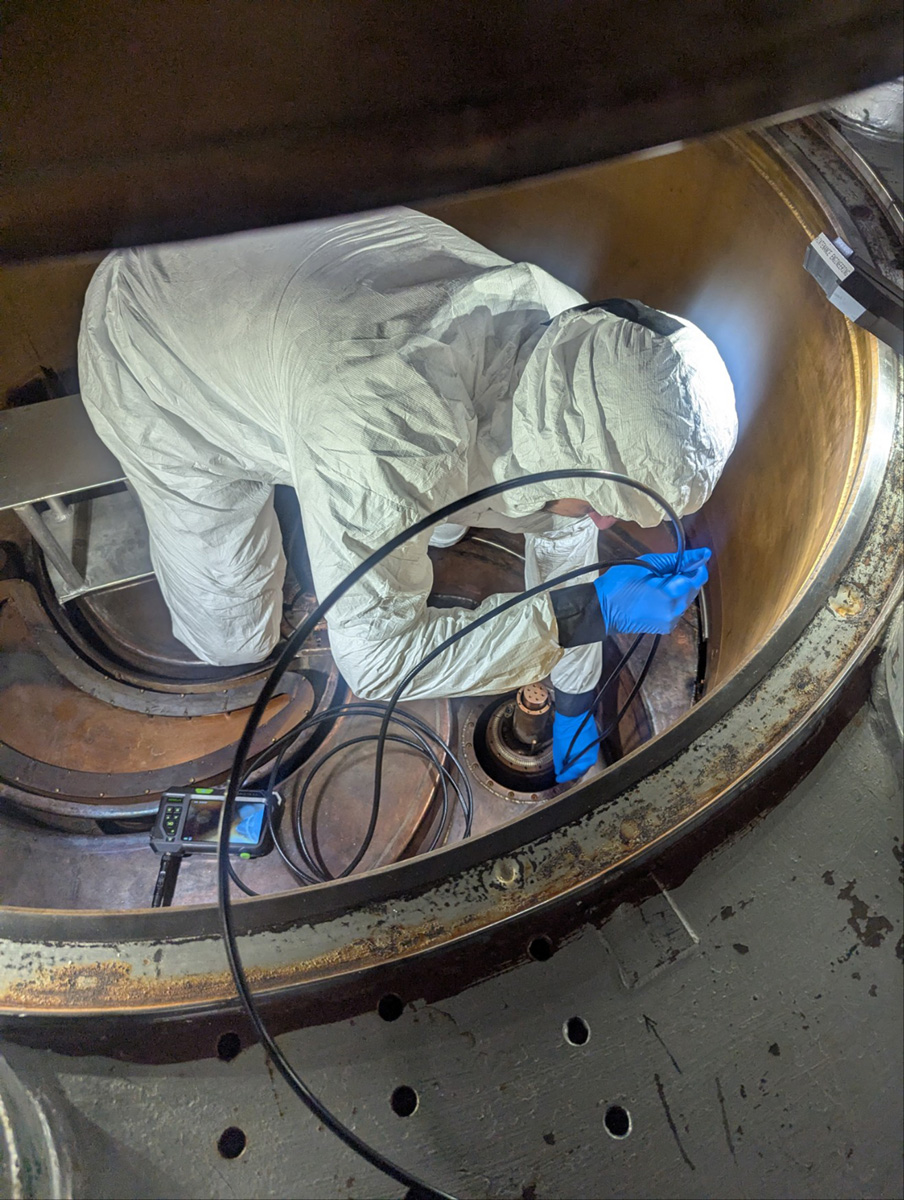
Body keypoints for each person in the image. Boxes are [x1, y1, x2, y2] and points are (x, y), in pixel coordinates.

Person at [78, 207, 736, 783]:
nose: (606, 518)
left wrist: (573, 715)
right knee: (233, 638)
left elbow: (564, 531)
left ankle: (354, 504)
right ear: (564, 457)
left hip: (262, 265)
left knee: (448, 515)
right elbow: (377, 660)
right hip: (157, 342)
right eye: (605, 502)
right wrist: (590, 611)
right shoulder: (385, 422)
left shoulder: (580, 347)